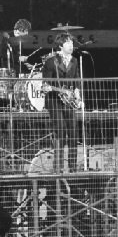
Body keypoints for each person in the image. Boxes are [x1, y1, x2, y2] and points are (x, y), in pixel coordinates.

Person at [42, 33, 82, 173]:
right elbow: (46, 83)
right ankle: (58, 166)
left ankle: (72, 166)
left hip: (69, 101)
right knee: (60, 129)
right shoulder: (51, 61)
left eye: (71, 42)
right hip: (54, 99)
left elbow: (76, 79)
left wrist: (77, 93)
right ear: (60, 46)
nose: (71, 45)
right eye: (67, 43)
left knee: (73, 131)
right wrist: (49, 88)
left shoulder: (75, 61)